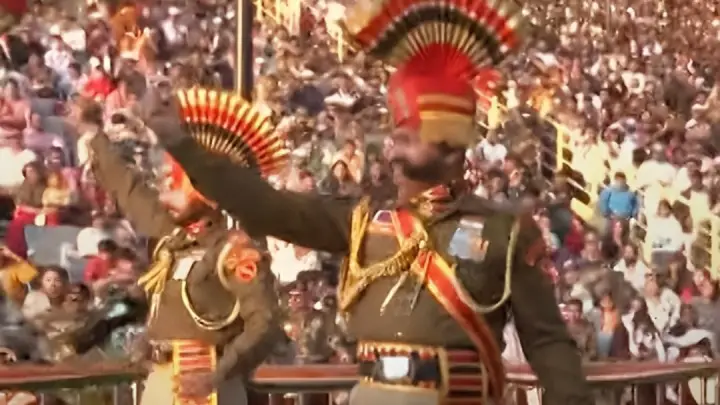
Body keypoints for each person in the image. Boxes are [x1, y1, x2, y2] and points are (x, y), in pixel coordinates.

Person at [150, 2, 594, 405]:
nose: (391, 151)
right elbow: (265, 206)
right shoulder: (360, 219)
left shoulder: (505, 231)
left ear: (450, 149)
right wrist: (183, 146)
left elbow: (547, 340)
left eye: (406, 139)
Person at [71, 91, 284, 405]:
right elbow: (130, 191)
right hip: (161, 380)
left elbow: (264, 322)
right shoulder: (173, 240)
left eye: (175, 185)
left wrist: (221, 372)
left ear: (206, 193)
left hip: (209, 387)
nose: (165, 195)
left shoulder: (234, 251)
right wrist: (92, 133)